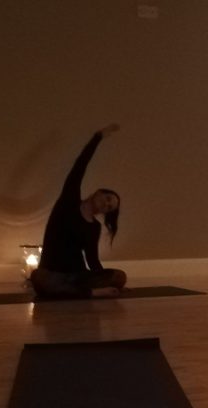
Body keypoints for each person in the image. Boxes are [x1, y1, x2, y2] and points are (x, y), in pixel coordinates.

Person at [30, 123, 127, 298]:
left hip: (77, 277)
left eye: (110, 207)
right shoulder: (68, 201)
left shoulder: (94, 227)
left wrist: (103, 277)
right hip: (52, 273)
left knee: (119, 276)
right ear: (98, 192)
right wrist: (98, 137)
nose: (106, 205)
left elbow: (92, 260)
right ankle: (90, 293)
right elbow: (80, 166)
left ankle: (84, 291)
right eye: (107, 199)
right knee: (39, 278)